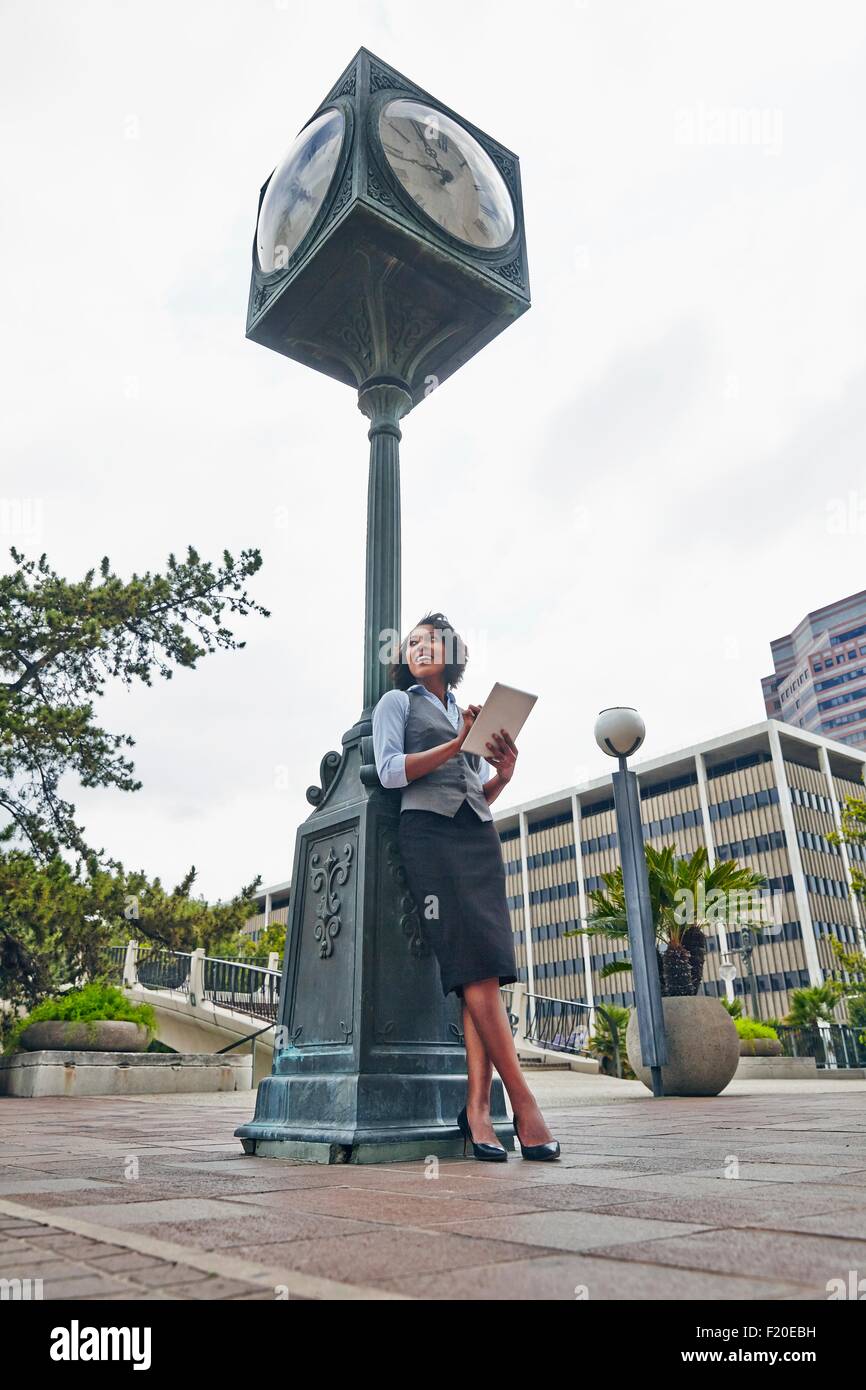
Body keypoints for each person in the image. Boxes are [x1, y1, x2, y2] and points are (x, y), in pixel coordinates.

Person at [371, 611, 560, 1162]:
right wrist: (456, 746)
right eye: (412, 643)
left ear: (450, 653)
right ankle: (523, 1103)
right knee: (472, 968)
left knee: (486, 974)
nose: (420, 648)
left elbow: (477, 791)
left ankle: (477, 1110)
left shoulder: (465, 712)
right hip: (428, 837)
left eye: (431, 641)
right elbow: (388, 772)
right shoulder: (397, 705)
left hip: (478, 840)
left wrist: (502, 773)